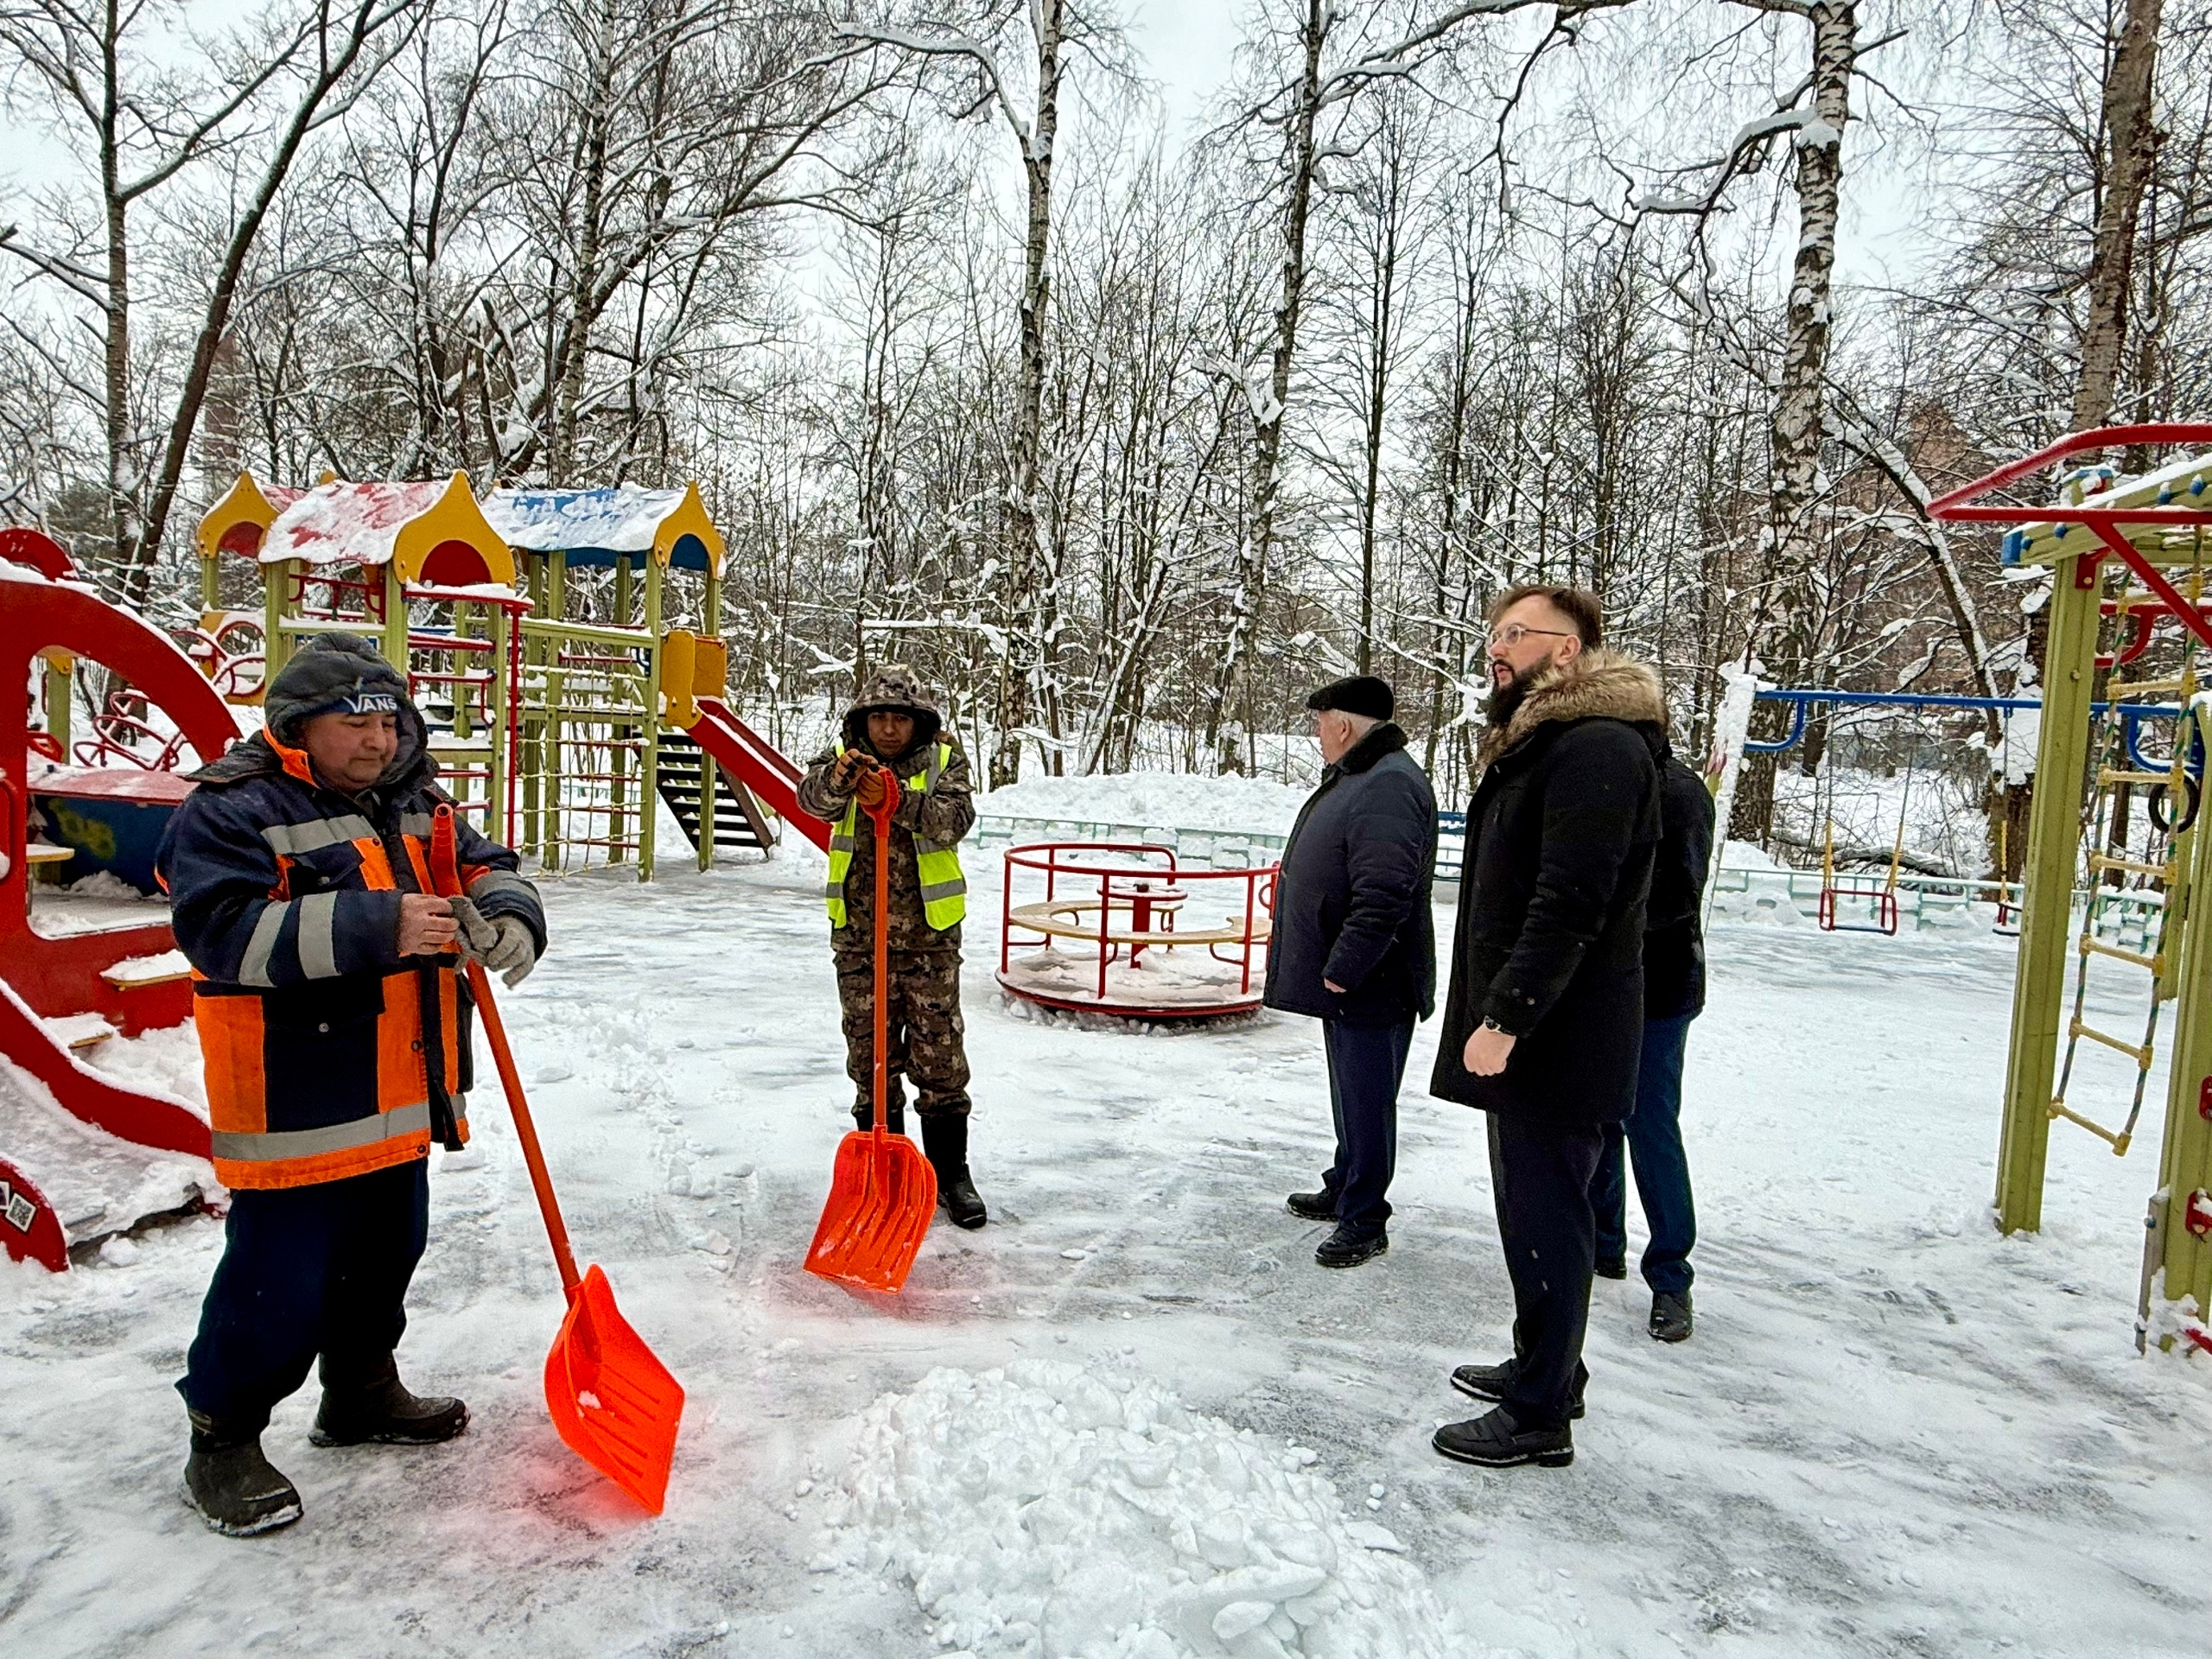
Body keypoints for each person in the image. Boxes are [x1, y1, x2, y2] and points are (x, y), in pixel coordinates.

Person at [155, 632, 546, 1536]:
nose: (377, 741)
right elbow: (221, 934)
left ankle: (361, 1394)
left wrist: (507, 917)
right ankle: (222, 1435)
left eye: (389, 721)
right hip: (298, 1091)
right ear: (298, 727)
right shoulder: (231, 809)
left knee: (386, 1253)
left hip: (401, 1082)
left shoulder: (414, 800)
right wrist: (381, 925)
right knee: (278, 1281)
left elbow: (486, 864)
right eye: (353, 723)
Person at [1427, 585, 1664, 1470]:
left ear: (1566, 651)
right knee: (1529, 1209)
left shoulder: (1596, 747)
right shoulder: (1553, 741)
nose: (1496, 649)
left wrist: (1505, 1017)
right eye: (1492, 634)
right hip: (1540, 1034)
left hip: (1557, 1037)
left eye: (1514, 636)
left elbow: (1571, 902)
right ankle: (1545, 1368)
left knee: (1548, 1214)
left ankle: (1537, 1417)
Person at [796, 666, 985, 1229]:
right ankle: (885, 1173)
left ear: (917, 721)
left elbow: (954, 821)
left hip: (928, 937)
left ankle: (950, 1173)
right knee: (870, 1055)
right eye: (878, 716)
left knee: (939, 1055)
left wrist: (897, 799)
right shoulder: (841, 755)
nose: (888, 728)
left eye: (899, 718)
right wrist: (842, 780)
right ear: (863, 720)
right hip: (859, 936)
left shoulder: (944, 760)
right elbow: (813, 801)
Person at [1264, 675, 1436, 1269]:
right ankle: (1346, 1182)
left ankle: (1365, 1217)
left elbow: (1385, 892)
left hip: (1372, 979)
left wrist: (1345, 966)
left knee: (1367, 1100)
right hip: (1350, 977)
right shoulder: (1364, 776)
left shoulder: (1387, 785)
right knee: (1351, 1094)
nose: (1316, 734)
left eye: (1320, 722)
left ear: (1343, 724)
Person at [1590, 737, 1714, 1343]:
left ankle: (1671, 1275)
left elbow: (1676, 899)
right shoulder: (1610, 781)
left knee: (1651, 1122)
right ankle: (1602, 1241)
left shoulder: (1678, 792)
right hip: (1607, 984)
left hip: (1661, 988)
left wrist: (1594, 914)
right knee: (1599, 1112)